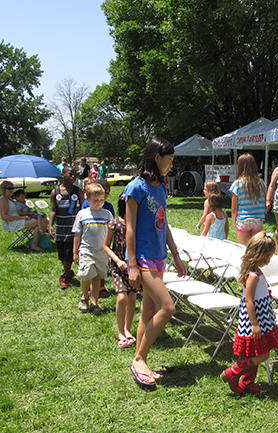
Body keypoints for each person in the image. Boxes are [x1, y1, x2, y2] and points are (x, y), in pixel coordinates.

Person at [126, 137, 186, 388]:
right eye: (169, 159)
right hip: (143, 259)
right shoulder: (135, 188)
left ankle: (141, 360)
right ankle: (139, 359)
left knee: (148, 312)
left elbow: (165, 224)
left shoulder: (161, 187)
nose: (171, 164)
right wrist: (131, 265)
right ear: (156, 157)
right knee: (168, 308)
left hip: (160, 257)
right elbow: (130, 229)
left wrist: (175, 255)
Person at [220, 231, 278, 395]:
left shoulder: (257, 272)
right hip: (254, 320)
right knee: (263, 354)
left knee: (255, 353)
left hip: (262, 317)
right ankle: (233, 371)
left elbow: (261, 297)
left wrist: (269, 311)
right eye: (269, 254)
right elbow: (249, 301)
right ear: (262, 254)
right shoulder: (253, 276)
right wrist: (254, 324)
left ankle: (248, 383)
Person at [104, 193, 138, 348]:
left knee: (132, 298)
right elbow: (106, 246)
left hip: (133, 266)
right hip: (118, 267)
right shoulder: (114, 224)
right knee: (122, 297)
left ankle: (127, 329)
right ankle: (120, 331)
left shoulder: (137, 224)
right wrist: (117, 260)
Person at [73, 182, 112, 315]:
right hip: (86, 251)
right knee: (85, 275)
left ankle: (95, 302)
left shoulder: (107, 215)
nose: (99, 203)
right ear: (87, 198)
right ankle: (84, 297)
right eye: (95, 200)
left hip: (102, 252)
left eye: (101, 200)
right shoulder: (82, 214)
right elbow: (77, 234)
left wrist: (110, 252)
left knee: (97, 277)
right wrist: (75, 252)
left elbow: (110, 234)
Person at [49, 166, 84, 288]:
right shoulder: (55, 192)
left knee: (69, 252)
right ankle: (68, 272)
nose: (73, 177)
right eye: (70, 174)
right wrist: (50, 225)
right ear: (63, 175)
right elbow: (53, 210)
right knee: (62, 253)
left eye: (75, 175)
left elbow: (82, 209)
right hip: (60, 227)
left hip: (73, 228)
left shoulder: (78, 191)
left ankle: (64, 277)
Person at [0, 181, 46, 252]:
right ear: (3, 189)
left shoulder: (10, 199)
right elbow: (4, 217)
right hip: (13, 222)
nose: (11, 190)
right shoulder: (3, 200)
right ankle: (34, 245)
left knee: (44, 220)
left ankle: (38, 241)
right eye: (9, 188)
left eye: (12, 188)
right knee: (38, 222)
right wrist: (22, 217)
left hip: (21, 219)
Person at [230, 153, 266, 245]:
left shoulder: (237, 184)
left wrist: (235, 224)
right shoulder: (261, 183)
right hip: (258, 220)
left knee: (244, 249)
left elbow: (234, 209)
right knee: (255, 248)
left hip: (243, 220)